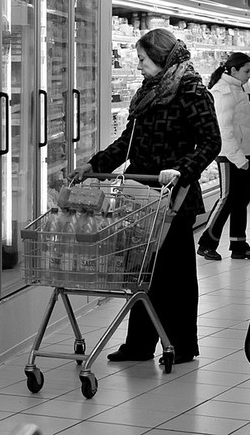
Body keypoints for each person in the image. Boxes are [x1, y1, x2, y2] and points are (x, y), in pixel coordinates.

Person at [71, 28, 221, 364]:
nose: (137, 65)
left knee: (175, 273)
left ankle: (181, 345)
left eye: (141, 59)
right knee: (141, 271)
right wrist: (94, 165)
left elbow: (212, 142)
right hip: (140, 194)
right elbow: (129, 142)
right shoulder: (148, 91)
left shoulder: (192, 90)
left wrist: (182, 168)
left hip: (174, 196)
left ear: (159, 57)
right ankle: (139, 345)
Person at [196, 53, 250, 261]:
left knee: (241, 199)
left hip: (243, 152)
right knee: (227, 198)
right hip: (230, 155)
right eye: (246, 70)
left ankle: (239, 245)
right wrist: (239, 159)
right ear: (233, 70)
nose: (249, 75)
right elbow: (223, 131)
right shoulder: (223, 92)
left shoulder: (236, 88)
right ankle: (207, 243)